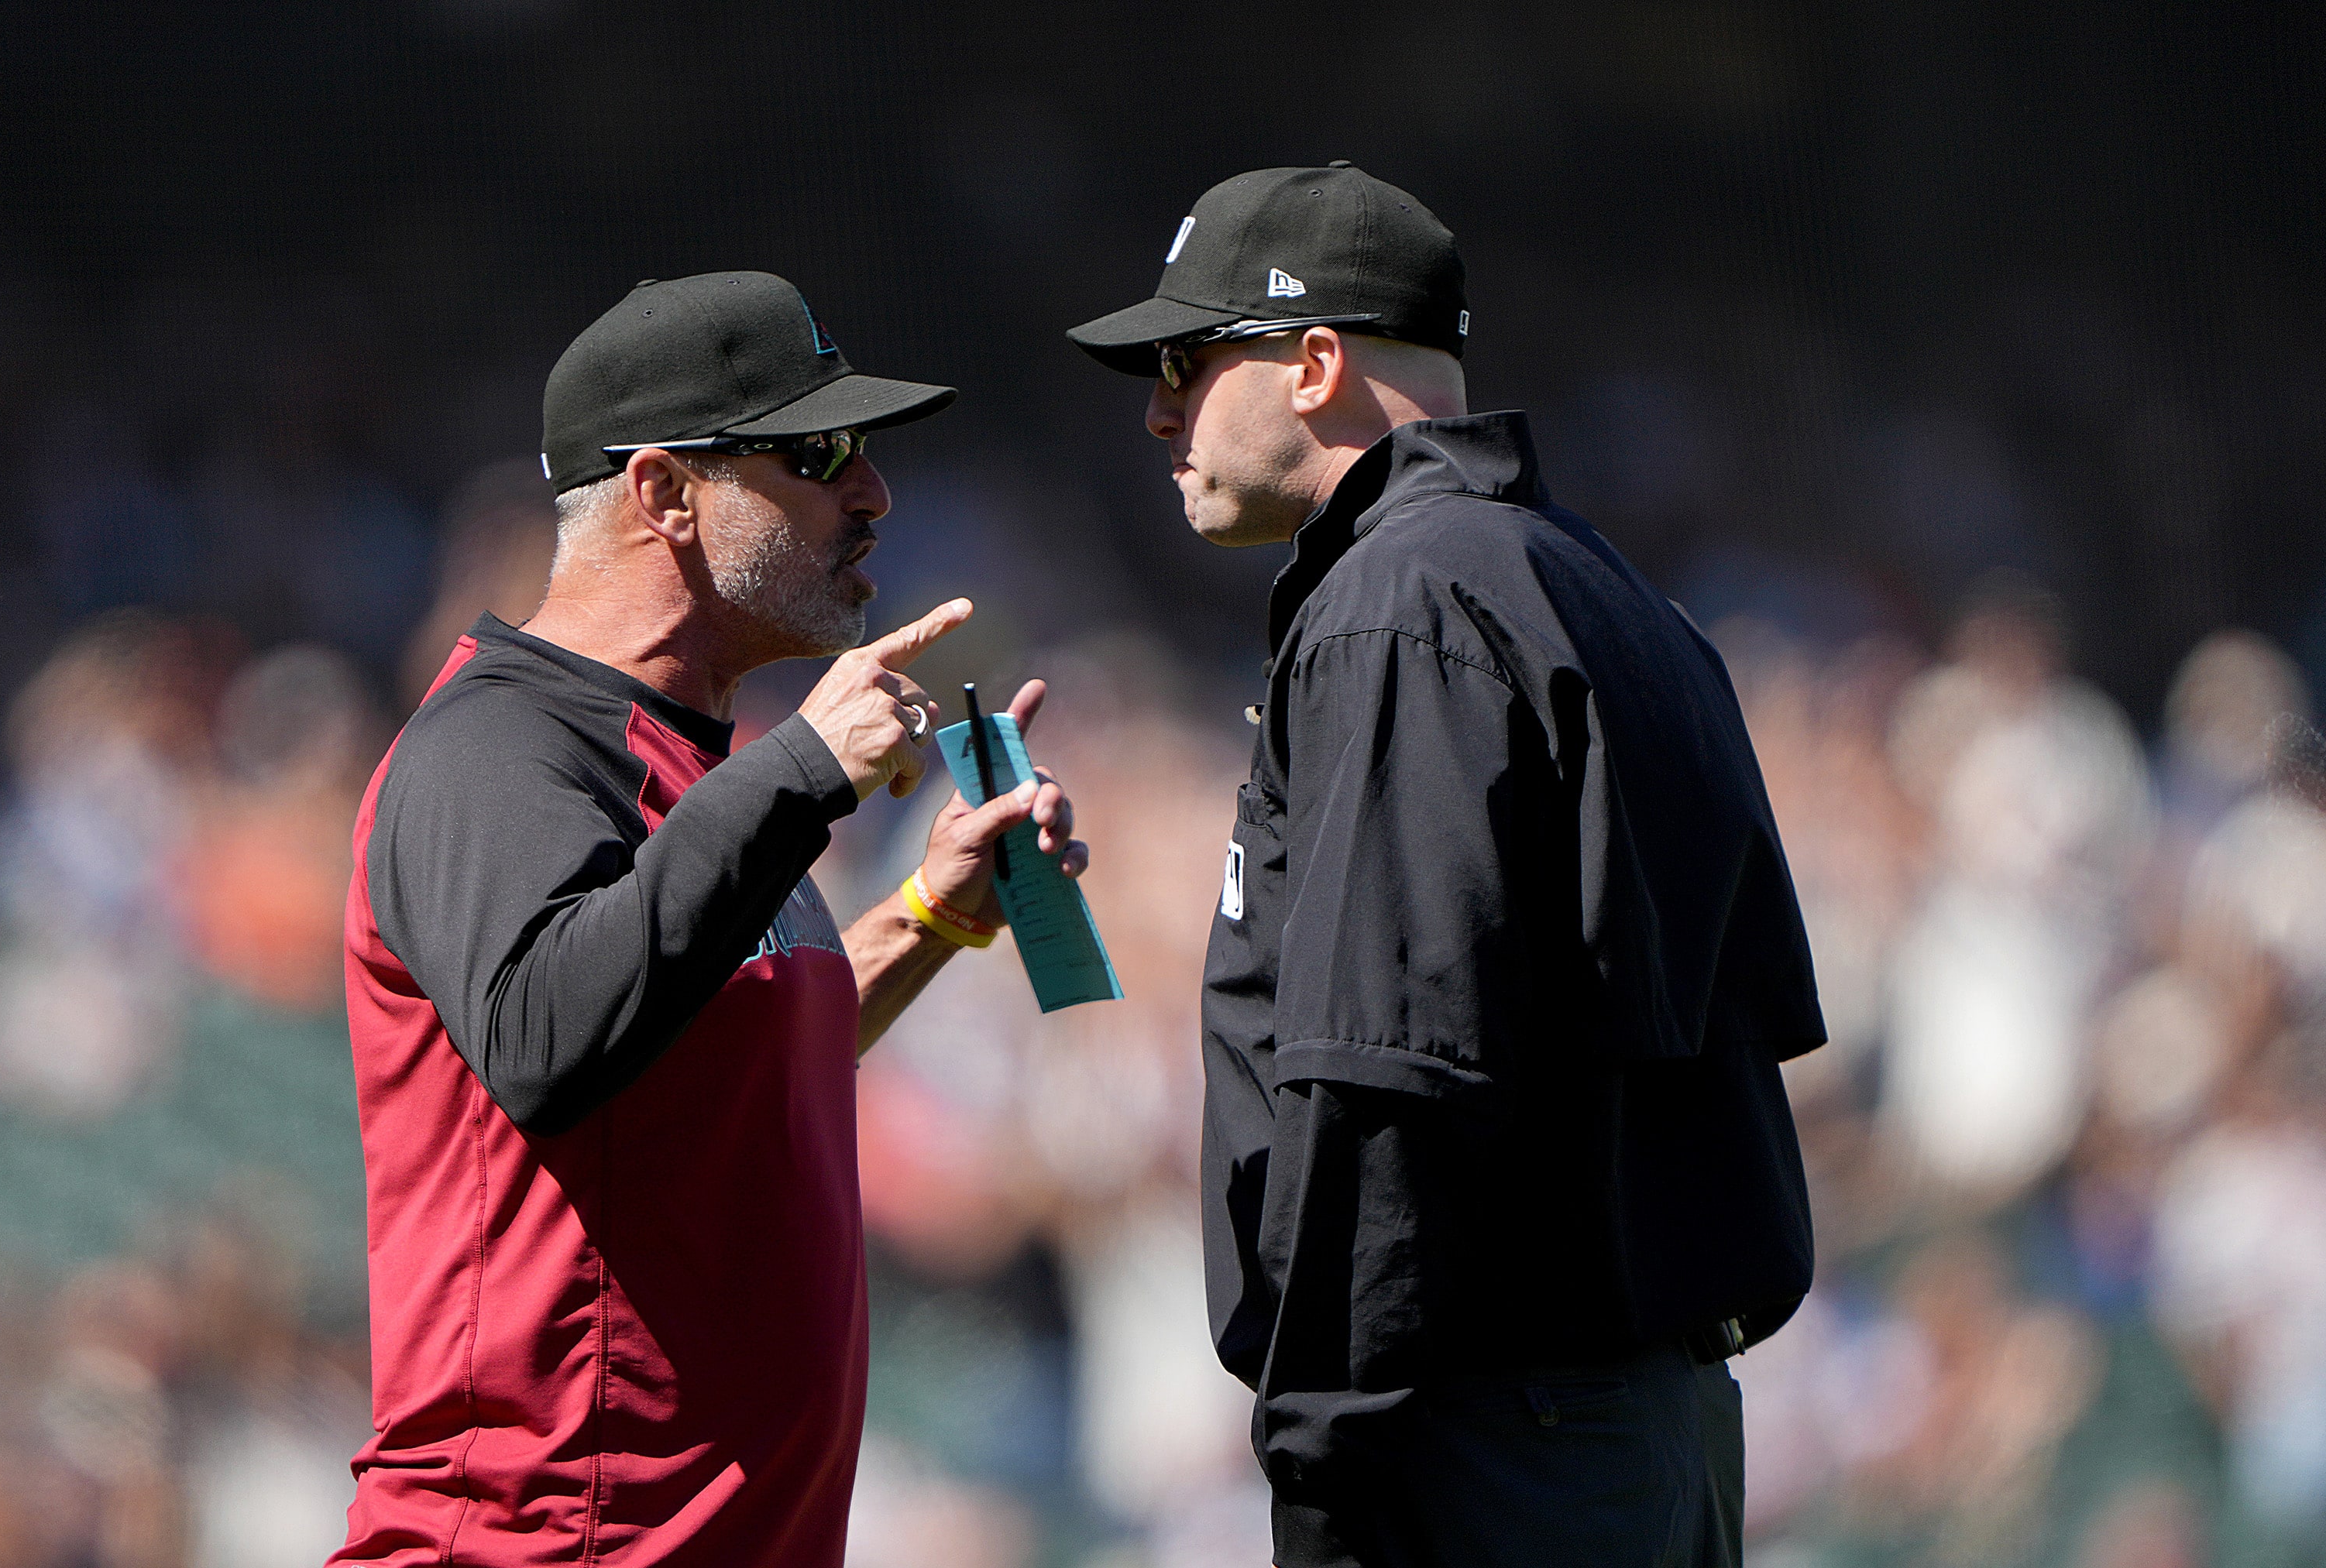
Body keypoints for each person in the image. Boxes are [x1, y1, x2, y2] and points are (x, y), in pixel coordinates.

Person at [1067, 164, 1826, 1567]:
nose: (1159, 411)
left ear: (1314, 363)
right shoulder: (1597, 584)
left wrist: (1328, 1461)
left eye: (1185, 361)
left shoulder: (1398, 604)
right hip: (1629, 1426)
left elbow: (1390, 1077)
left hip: (1492, 1443)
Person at [332, 271, 1088, 1567]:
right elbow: (549, 1035)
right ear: (664, 494)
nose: (872, 494)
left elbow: (714, 1057)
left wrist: (928, 916)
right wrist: (797, 773)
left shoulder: (696, 763)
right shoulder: (497, 746)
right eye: (815, 454)